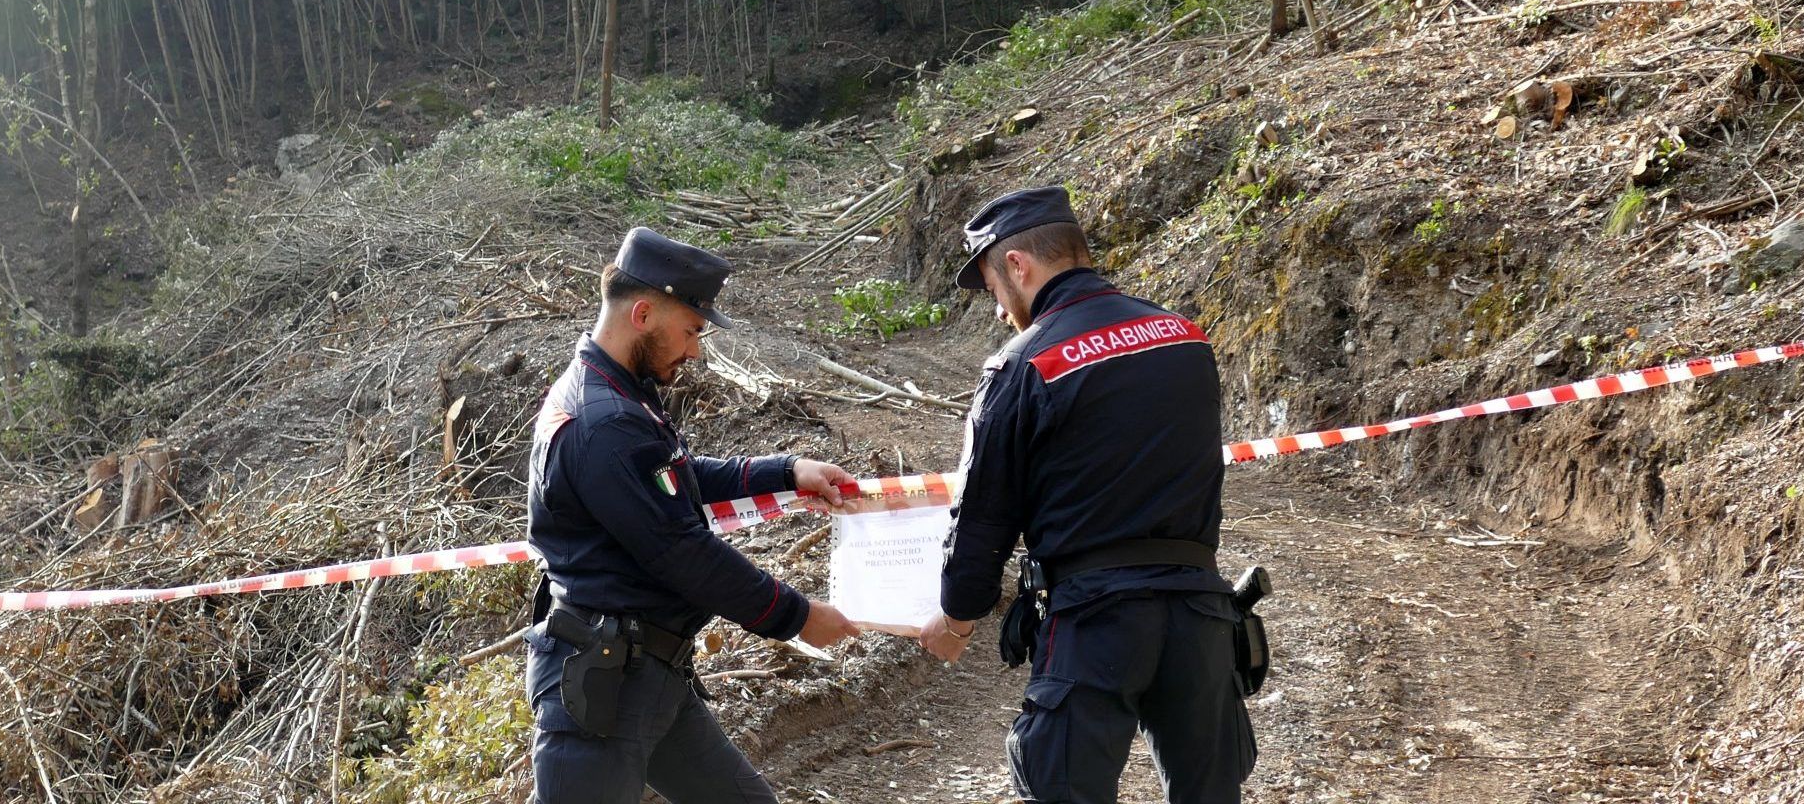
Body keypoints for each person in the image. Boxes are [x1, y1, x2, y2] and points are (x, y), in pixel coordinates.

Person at [916, 186, 1256, 804]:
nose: (999, 311)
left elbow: (983, 515)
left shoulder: (1022, 365)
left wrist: (958, 614)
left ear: (1018, 266)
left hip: (1095, 623)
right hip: (1200, 618)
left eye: (994, 288)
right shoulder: (1186, 338)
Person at [525, 226, 863, 803]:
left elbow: (674, 478)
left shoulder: (617, 393)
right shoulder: (605, 421)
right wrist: (797, 616)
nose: (695, 350)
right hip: (607, 690)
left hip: (648, 676)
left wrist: (784, 471)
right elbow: (682, 552)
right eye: (690, 330)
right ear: (642, 314)